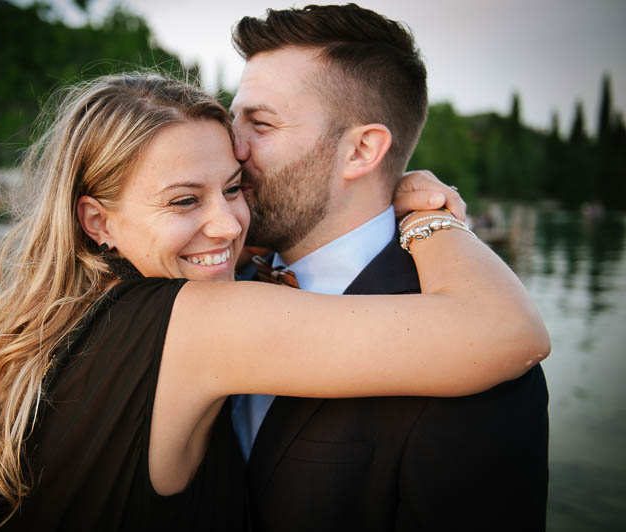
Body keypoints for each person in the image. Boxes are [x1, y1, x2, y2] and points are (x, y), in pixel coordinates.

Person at [0, 73, 548, 532]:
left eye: (235, 187)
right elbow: (506, 330)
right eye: (184, 201)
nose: (227, 225)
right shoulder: (201, 323)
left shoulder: (75, 314)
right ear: (97, 221)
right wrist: (424, 216)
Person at [228, 4, 550, 531]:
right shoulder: (206, 273)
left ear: (361, 150)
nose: (230, 148)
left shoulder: (478, 363)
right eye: (231, 118)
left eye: (260, 124)